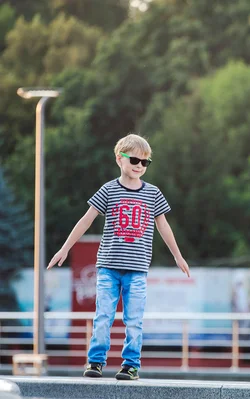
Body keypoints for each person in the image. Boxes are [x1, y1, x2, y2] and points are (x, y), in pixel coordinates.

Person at [47, 134, 191, 380]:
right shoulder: (109, 190)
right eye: (134, 159)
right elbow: (87, 219)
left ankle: (131, 365)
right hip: (108, 267)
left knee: (134, 319)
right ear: (119, 159)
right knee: (103, 316)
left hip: (137, 269)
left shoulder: (153, 193)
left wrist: (178, 256)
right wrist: (65, 248)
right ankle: (96, 362)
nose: (139, 165)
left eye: (145, 162)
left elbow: (164, 227)